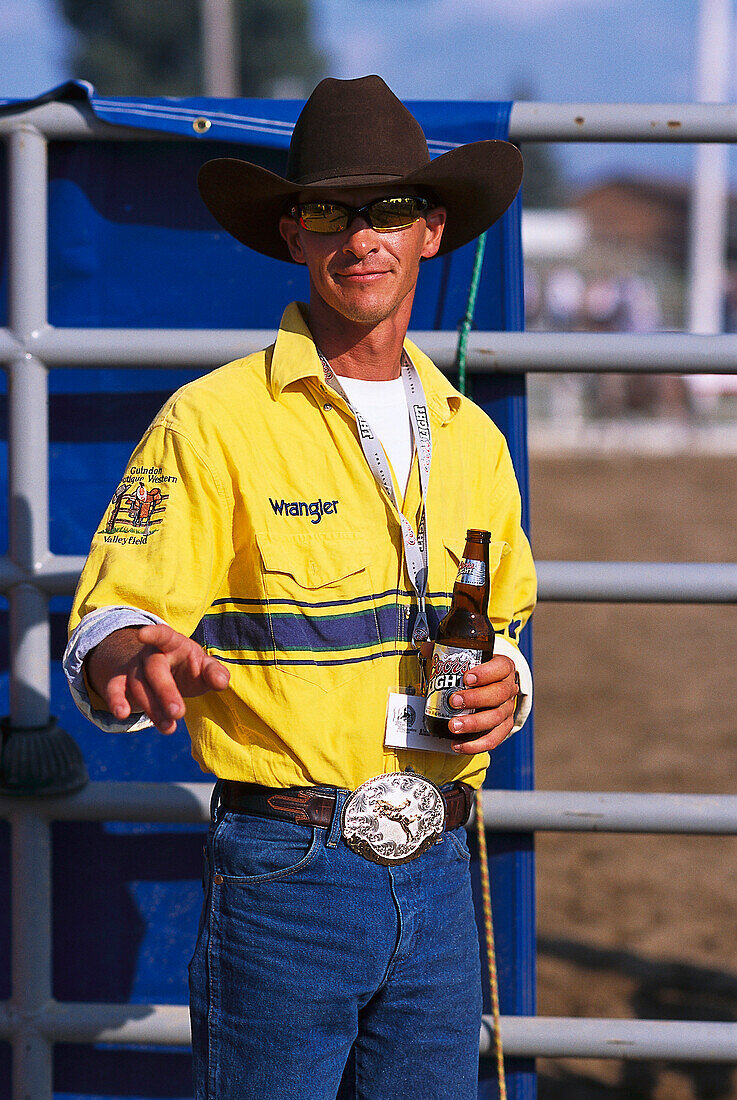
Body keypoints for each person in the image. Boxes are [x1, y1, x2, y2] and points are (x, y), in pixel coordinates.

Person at [64, 75, 536, 1100]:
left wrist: (509, 683)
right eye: (328, 210)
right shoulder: (212, 420)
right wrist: (132, 655)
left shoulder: (475, 439)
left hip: (442, 861)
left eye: (390, 210)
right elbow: (110, 610)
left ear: (431, 231)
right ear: (291, 233)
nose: (359, 236)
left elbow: (502, 631)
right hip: (287, 869)